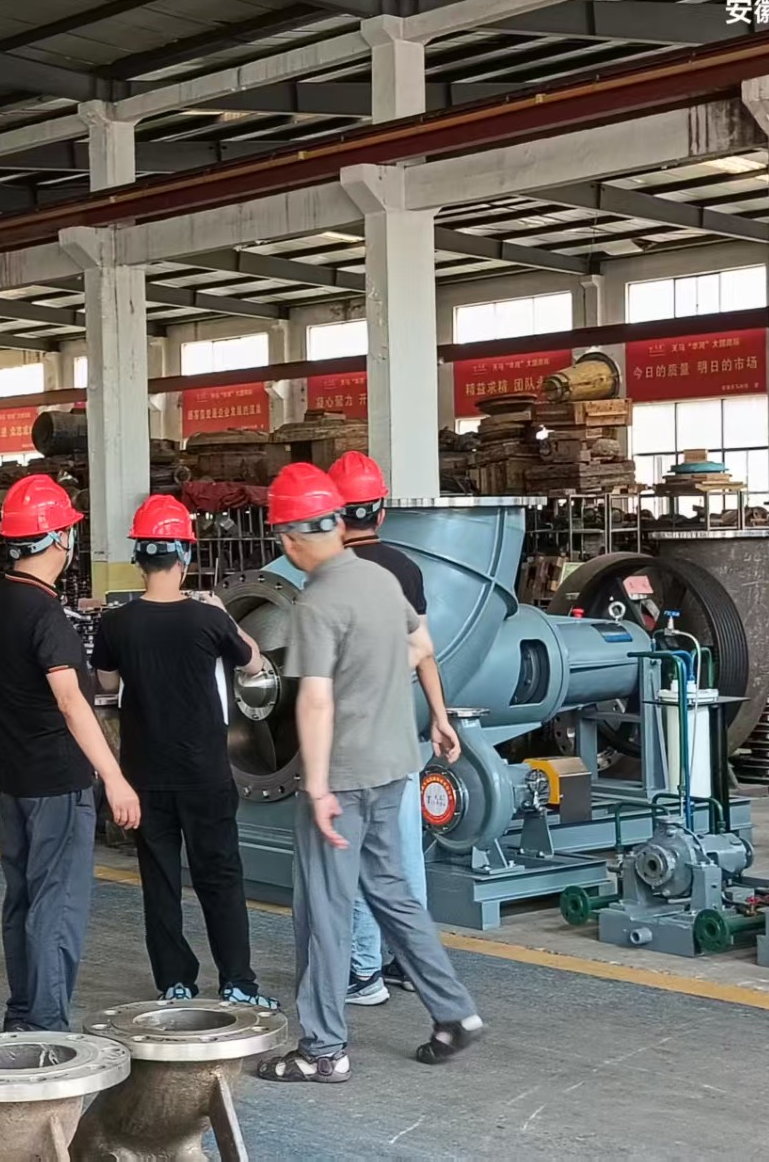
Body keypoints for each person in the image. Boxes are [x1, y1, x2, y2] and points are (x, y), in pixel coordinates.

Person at [255, 463, 482, 1084]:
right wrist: (417, 705)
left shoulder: (317, 601)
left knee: (324, 911)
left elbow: (315, 700)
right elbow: (421, 647)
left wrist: (317, 785)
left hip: (345, 776)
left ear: (291, 538)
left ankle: (323, 1050)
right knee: (392, 893)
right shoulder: (383, 579)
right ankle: (454, 1013)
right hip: (393, 767)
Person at [91, 494, 277, 1009]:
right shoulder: (207, 620)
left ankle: (174, 981)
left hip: (144, 775)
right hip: (205, 774)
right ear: (185, 556)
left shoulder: (116, 623)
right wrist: (223, 615)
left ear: (139, 558)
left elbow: (107, 683)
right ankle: (237, 982)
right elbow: (254, 663)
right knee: (220, 876)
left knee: (160, 880)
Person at [0, 474, 142, 1033]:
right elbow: (72, 703)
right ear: (57, 540)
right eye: (69, 532)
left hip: (15, 775)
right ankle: (46, 1024)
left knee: (23, 896)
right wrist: (115, 777)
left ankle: (22, 1012)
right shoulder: (45, 615)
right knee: (58, 903)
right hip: (57, 780)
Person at [328, 450, 461, 1007]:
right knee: (404, 851)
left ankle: (364, 973)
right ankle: (408, 961)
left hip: (353, 733)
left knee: (361, 854)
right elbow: (423, 650)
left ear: (334, 514)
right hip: (401, 726)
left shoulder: (330, 574)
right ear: (381, 512)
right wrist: (440, 717)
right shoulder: (406, 569)